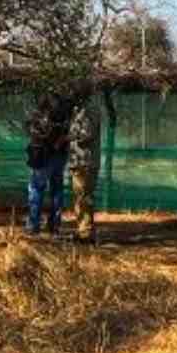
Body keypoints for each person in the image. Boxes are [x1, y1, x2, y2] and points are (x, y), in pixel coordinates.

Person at [23, 92, 72, 235]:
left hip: (43, 158)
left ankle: (33, 225)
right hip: (60, 156)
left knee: (36, 189)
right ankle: (54, 225)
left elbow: (30, 130)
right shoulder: (65, 115)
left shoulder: (38, 117)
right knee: (56, 191)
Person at [66, 95, 101, 243]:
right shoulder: (79, 110)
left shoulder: (88, 111)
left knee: (84, 197)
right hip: (79, 161)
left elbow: (86, 135)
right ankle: (82, 231)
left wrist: (68, 136)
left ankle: (85, 233)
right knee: (81, 198)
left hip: (84, 161)